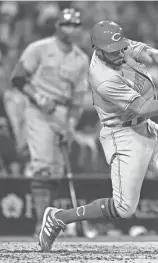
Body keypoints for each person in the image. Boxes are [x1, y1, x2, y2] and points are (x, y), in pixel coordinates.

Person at [38, 20, 158, 253]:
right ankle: (59, 217)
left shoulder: (119, 46)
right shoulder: (103, 78)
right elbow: (143, 107)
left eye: (120, 48)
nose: (119, 53)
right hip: (123, 134)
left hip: (146, 127)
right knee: (124, 208)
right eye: (112, 51)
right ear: (97, 48)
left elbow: (154, 54)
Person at [10, 8, 89, 237]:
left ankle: (48, 223)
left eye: (74, 25)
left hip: (63, 113)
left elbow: (77, 101)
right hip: (39, 110)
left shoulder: (81, 59)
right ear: (57, 26)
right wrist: (37, 96)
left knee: (56, 171)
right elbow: (18, 77)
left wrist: (71, 127)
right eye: (66, 24)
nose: (70, 29)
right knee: (42, 166)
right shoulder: (39, 49)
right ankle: (40, 225)